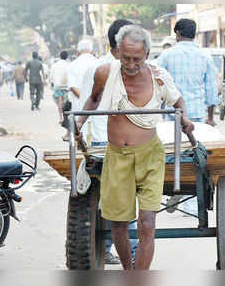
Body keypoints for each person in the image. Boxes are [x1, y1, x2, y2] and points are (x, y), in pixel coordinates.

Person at [76, 25, 194, 270]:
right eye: (125, 57)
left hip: (150, 156)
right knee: (119, 223)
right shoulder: (105, 73)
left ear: (147, 55)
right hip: (117, 156)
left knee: (147, 222)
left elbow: (177, 99)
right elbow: (95, 99)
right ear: (117, 52)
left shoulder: (159, 76)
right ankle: (128, 272)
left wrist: (184, 117)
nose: (130, 64)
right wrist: (76, 123)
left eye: (137, 59)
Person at [79, 19, 139, 265]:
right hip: (109, 143)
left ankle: (112, 248)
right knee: (120, 197)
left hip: (130, 143)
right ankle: (129, 251)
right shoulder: (101, 70)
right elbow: (88, 104)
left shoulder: (141, 68)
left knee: (117, 197)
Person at [157, 18, 219, 217]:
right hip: (196, 116)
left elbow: (157, 85)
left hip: (171, 114)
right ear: (195, 33)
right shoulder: (205, 57)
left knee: (171, 152)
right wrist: (210, 117)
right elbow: (211, 91)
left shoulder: (165, 56)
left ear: (177, 33)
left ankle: (172, 188)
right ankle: (191, 202)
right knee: (195, 154)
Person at [65, 39, 97, 141]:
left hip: (79, 106)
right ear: (92, 51)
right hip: (97, 105)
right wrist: (92, 100)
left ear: (78, 51)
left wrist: (85, 100)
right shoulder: (99, 63)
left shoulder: (72, 65)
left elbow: (73, 87)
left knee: (81, 135)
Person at [50, 51, 70, 133]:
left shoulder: (55, 65)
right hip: (67, 87)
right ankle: (66, 118)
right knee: (67, 103)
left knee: (59, 103)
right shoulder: (69, 64)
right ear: (67, 56)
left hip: (58, 86)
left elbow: (51, 75)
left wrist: (52, 83)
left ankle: (61, 118)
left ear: (60, 56)